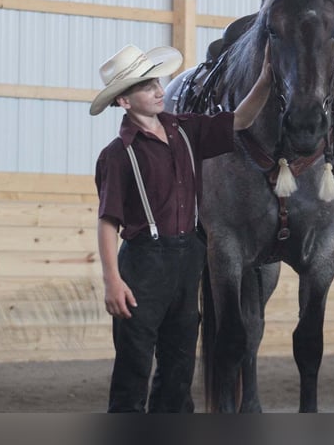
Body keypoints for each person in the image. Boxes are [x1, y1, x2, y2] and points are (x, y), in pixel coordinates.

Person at [90, 43, 272, 413]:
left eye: (157, 82)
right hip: (142, 265)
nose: (159, 90)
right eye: (146, 87)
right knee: (134, 366)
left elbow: (240, 119)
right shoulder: (116, 154)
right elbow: (108, 220)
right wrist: (112, 279)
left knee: (179, 367)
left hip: (188, 258)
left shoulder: (185, 130)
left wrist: (267, 78)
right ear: (124, 102)